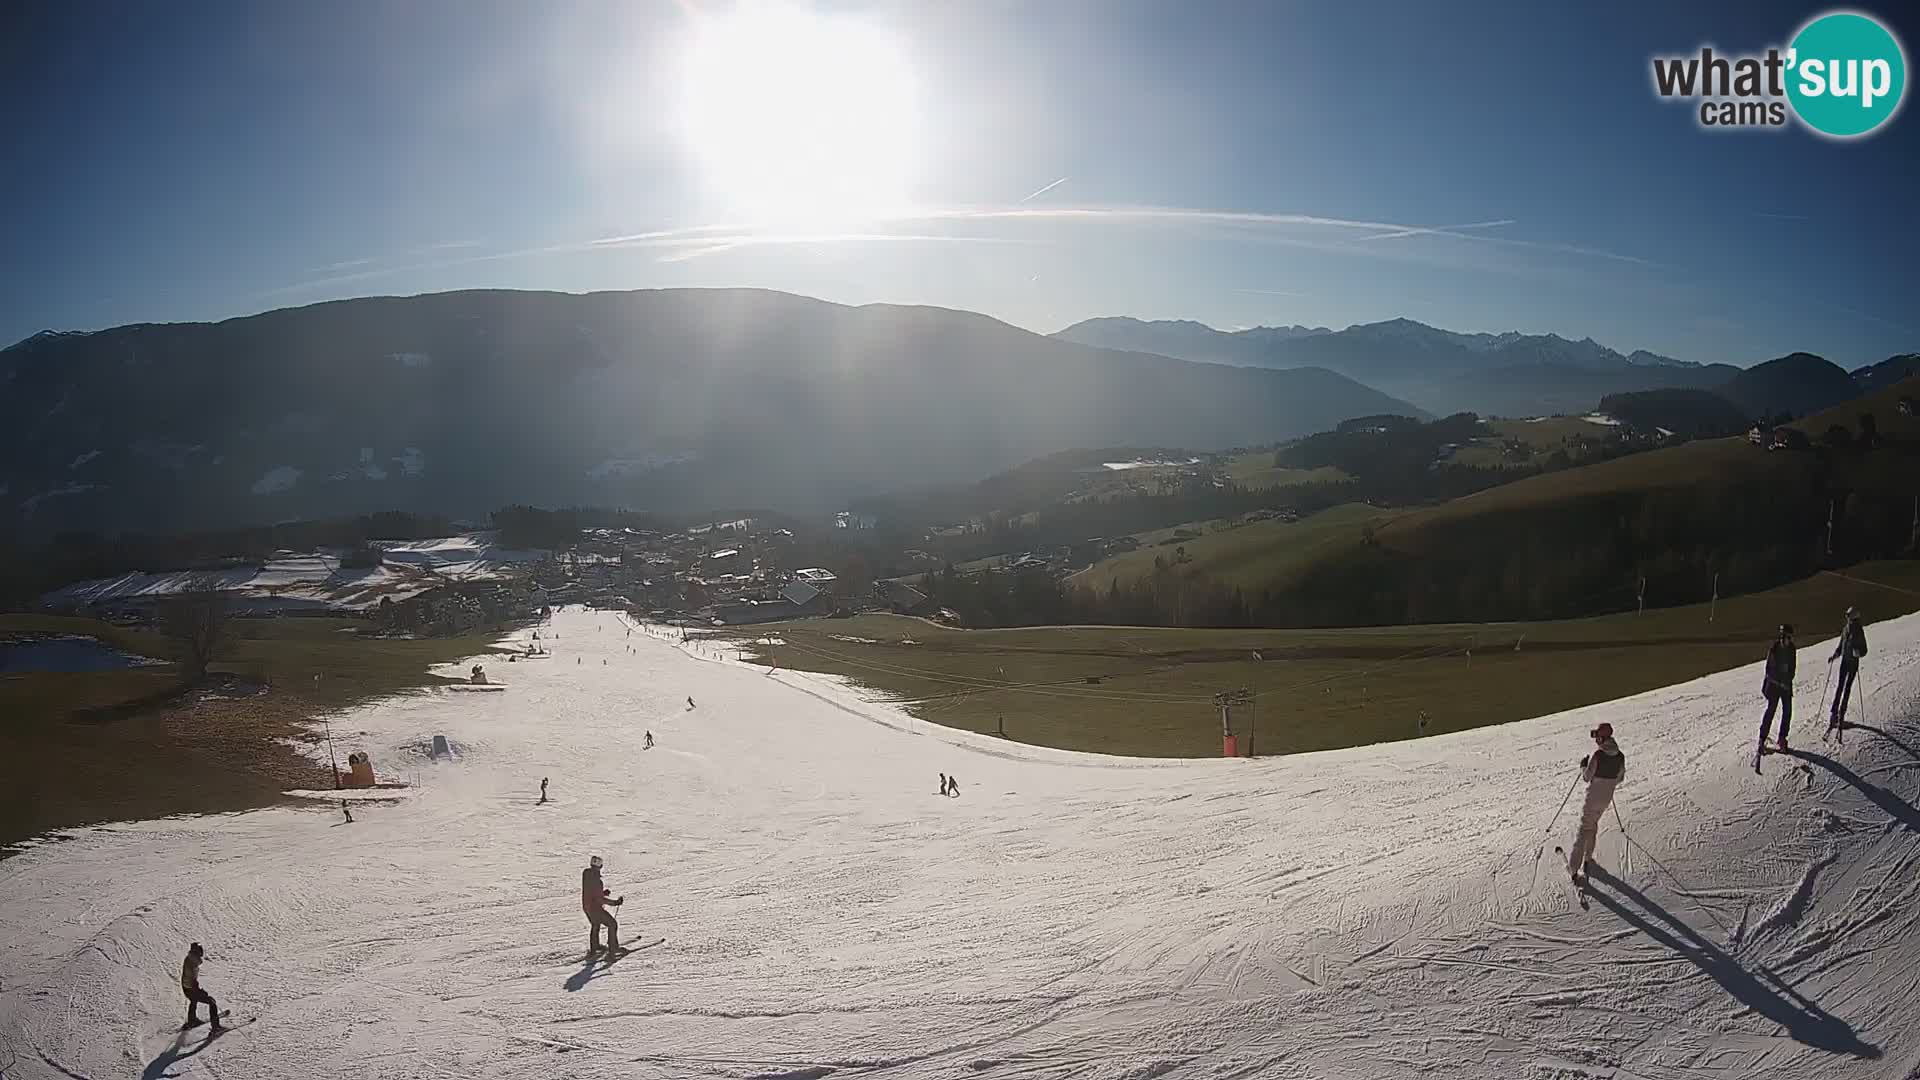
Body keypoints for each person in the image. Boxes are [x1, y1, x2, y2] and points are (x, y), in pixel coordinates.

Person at [1566, 723, 1625, 884]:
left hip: (1593, 798)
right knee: (1593, 824)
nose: (1597, 740)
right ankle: (1588, 857)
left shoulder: (1598, 755)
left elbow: (1586, 777)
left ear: (1602, 738)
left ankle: (1573, 868)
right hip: (1606, 798)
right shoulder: (1620, 756)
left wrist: (1583, 766)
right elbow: (1620, 778)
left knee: (1584, 828)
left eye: (1598, 736)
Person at [1829, 607, 1870, 730]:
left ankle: (1840, 715)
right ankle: (1835, 714)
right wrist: (1835, 655)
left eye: (1848, 616)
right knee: (1841, 687)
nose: (1847, 618)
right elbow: (1841, 645)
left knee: (1845, 689)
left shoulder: (1858, 631)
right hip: (1845, 662)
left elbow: (1864, 650)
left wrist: (1858, 653)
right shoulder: (1846, 629)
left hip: (1852, 664)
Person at [1759, 624, 1796, 752]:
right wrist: (1779, 681)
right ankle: (1762, 738)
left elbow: (1792, 669)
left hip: (1785, 685)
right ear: (1783, 637)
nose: (1790, 640)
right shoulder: (1774, 649)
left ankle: (1782, 738)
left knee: (1788, 711)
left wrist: (1787, 680)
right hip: (1774, 686)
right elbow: (1769, 670)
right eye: (1789, 637)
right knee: (1771, 710)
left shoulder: (1791, 649)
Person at [582, 855, 623, 954]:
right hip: (595, 908)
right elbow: (599, 899)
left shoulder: (587, 875)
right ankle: (613, 948)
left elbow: (591, 892)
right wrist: (614, 903)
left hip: (587, 906)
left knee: (595, 924)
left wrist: (603, 893)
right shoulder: (597, 881)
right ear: (600, 866)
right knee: (612, 924)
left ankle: (595, 947)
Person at [180, 943, 221, 1030]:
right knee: (211, 1002)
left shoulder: (190, 960)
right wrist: (199, 991)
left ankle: (192, 1021)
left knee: (193, 1000)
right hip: (191, 988)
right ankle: (215, 1027)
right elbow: (191, 979)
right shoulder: (192, 963)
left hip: (187, 988)